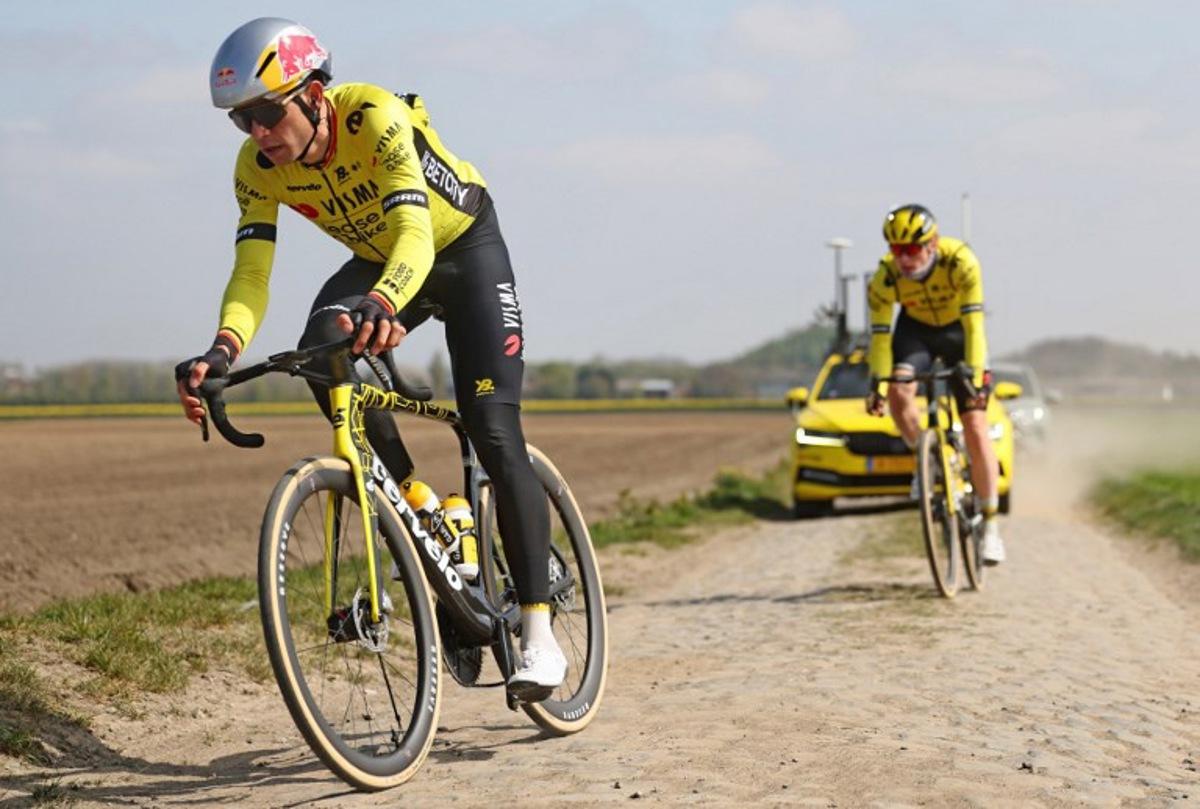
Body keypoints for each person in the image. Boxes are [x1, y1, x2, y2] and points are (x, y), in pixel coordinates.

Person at [174, 17, 566, 698]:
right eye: (242, 121)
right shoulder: (257, 169)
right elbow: (252, 272)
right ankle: (416, 502)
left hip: (462, 250)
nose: (258, 133)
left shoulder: (373, 116)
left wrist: (384, 302)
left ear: (313, 94)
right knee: (320, 346)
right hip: (383, 260)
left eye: (267, 113)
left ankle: (538, 634)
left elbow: (415, 231)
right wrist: (222, 348)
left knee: (493, 428)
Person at [864, 203, 1006, 564]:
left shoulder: (961, 261)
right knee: (899, 391)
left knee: (976, 426)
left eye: (912, 249)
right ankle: (925, 459)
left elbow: (975, 326)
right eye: (896, 250)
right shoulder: (884, 278)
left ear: (933, 243)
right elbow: (880, 339)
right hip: (916, 333)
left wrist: (977, 374)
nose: (904, 259)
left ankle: (991, 527)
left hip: (959, 332)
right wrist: (877, 383)